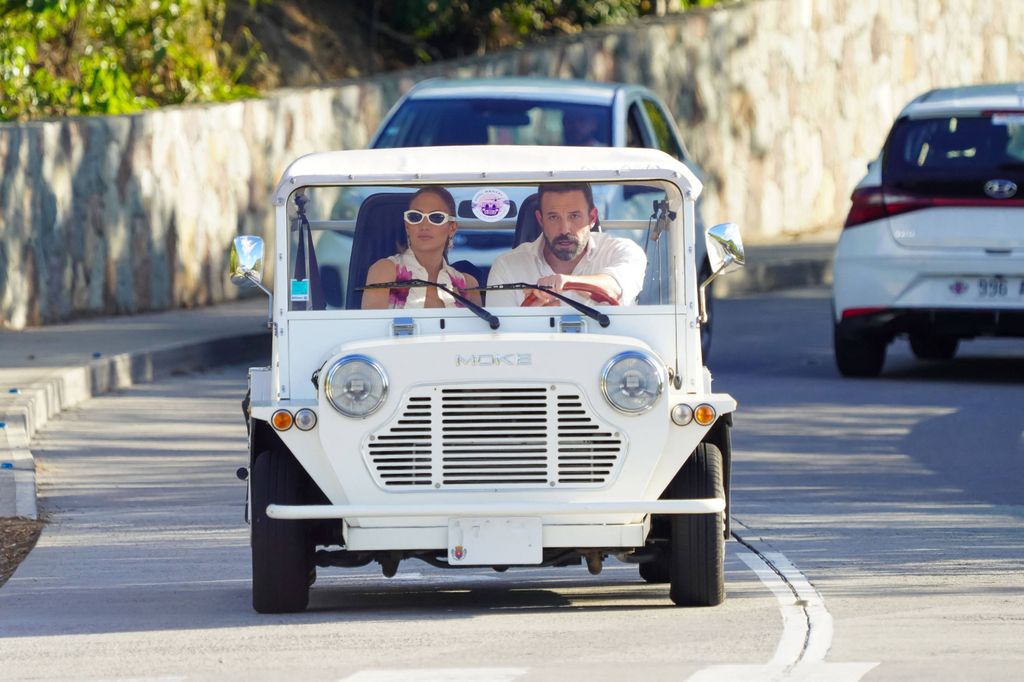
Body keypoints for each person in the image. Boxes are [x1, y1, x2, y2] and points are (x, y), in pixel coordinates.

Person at [486, 182, 646, 307]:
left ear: (592, 218)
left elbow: (614, 288)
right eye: (554, 217)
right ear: (541, 220)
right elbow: (501, 336)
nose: (564, 229)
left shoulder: (623, 251)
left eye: (574, 216)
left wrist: (568, 283)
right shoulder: (507, 267)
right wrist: (530, 317)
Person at [362, 187, 482, 309]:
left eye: (436, 217)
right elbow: (371, 327)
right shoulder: (385, 270)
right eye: (415, 217)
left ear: (452, 228)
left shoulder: (468, 284)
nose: (424, 226)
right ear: (407, 226)